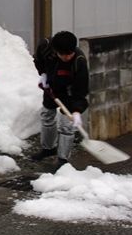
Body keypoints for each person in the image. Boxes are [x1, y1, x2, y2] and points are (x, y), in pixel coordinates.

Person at [30, 30, 89, 170]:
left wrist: (76, 110)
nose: (67, 57)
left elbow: (80, 89)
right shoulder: (45, 46)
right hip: (51, 86)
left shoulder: (79, 61)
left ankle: (63, 159)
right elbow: (38, 59)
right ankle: (48, 149)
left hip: (69, 92)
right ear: (55, 50)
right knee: (47, 115)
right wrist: (43, 74)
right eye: (63, 54)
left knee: (67, 125)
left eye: (70, 53)